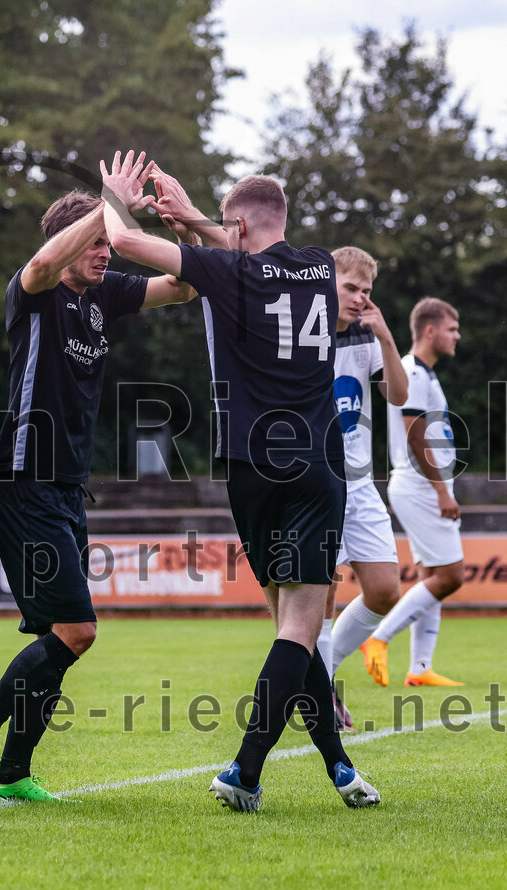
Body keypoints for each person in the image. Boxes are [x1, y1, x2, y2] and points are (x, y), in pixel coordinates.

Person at [103, 151, 379, 811]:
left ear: (238, 230)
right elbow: (235, 241)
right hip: (314, 464)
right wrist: (194, 210)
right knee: (300, 625)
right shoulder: (317, 265)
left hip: (249, 469)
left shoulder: (230, 272)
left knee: (293, 625)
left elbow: (121, 241)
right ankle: (246, 771)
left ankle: (337, 766)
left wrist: (119, 197)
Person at [0, 171, 199, 806]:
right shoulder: (36, 289)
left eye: (111, 239)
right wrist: (109, 203)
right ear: (69, 239)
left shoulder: (103, 295)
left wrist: (186, 226)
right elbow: (42, 261)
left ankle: (12, 774)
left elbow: (186, 288)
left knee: (57, 636)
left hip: (63, 488)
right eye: (97, 239)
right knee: (77, 631)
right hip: (26, 479)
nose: (107, 248)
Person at [321, 248, 408, 730]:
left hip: (359, 483)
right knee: (321, 595)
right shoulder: (301, 331)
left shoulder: (366, 335)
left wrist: (388, 339)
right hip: (313, 481)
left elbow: (398, 395)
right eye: (351, 287)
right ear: (326, 281)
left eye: (366, 291)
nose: (360, 298)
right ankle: (318, 691)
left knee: (383, 590)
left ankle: (323, 674)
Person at [359, 298, 465, 687]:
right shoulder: (413, 372)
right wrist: (441, 490)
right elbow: (415, 433)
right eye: (452, 329)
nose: (457, 336)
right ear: (431, 330)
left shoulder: (424, 373)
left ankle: (420, 668)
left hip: (423, 485)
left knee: (431, 575)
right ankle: (378, 638)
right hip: (421, 485)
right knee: (452, 576)